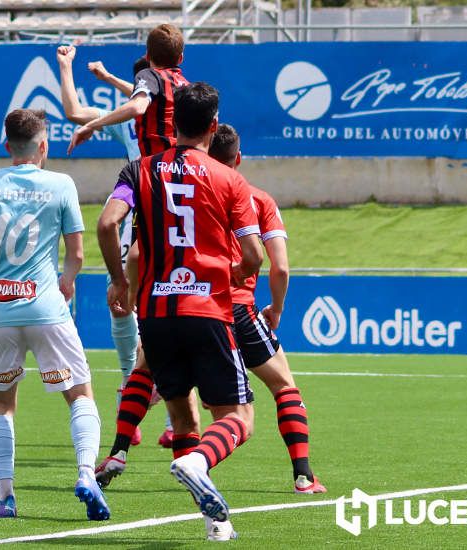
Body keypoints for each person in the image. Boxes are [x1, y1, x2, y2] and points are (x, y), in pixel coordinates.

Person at [100, 82, 263, 541]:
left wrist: (119, 279)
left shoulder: (138, 169)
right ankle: (196, 462)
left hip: (156, 316)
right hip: (207, 310)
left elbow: (108, 223)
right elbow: (253, 257)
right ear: (213, 126)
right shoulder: (230, 179)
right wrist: (230, 275)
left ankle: (215, 522)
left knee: (184, 422)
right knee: (238, 418)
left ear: (172, 125)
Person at [0, 108, 109, 521]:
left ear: (7, 146)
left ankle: (5, 498)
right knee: (79, 395)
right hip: (46, 308)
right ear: (43, 146)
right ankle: (87, 474)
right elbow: (76, 254)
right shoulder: (61, 184)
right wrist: (68, 280)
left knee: (1, 402)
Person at [57, 45, 174, 447]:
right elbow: (75, 111)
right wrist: (66, 66)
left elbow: (140, 100)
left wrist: (103, 79)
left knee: (176, 300)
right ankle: (132, 387)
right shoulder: (137, 116)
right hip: (143, 214)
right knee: (124, 300)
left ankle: (176, 404)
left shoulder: (163, 111)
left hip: (170, 213)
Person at [209, 124, 326, 494]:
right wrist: (275, 308)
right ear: (238, 158)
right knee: (283, 386)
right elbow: (280, 267)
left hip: (190, 308)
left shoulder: (189, 195)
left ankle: (119, 451)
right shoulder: (257, 199)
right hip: (240, 310)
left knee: (171, 391)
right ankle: (303, 476)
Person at [67, 23, 189, 157]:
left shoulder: (150, 75)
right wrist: (109, 77)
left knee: (126, 176)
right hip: (182, 167)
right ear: (181, 58)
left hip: (154, 169)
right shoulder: (187, 88)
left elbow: (137, 106)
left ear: (148, 56)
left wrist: (91, 125)